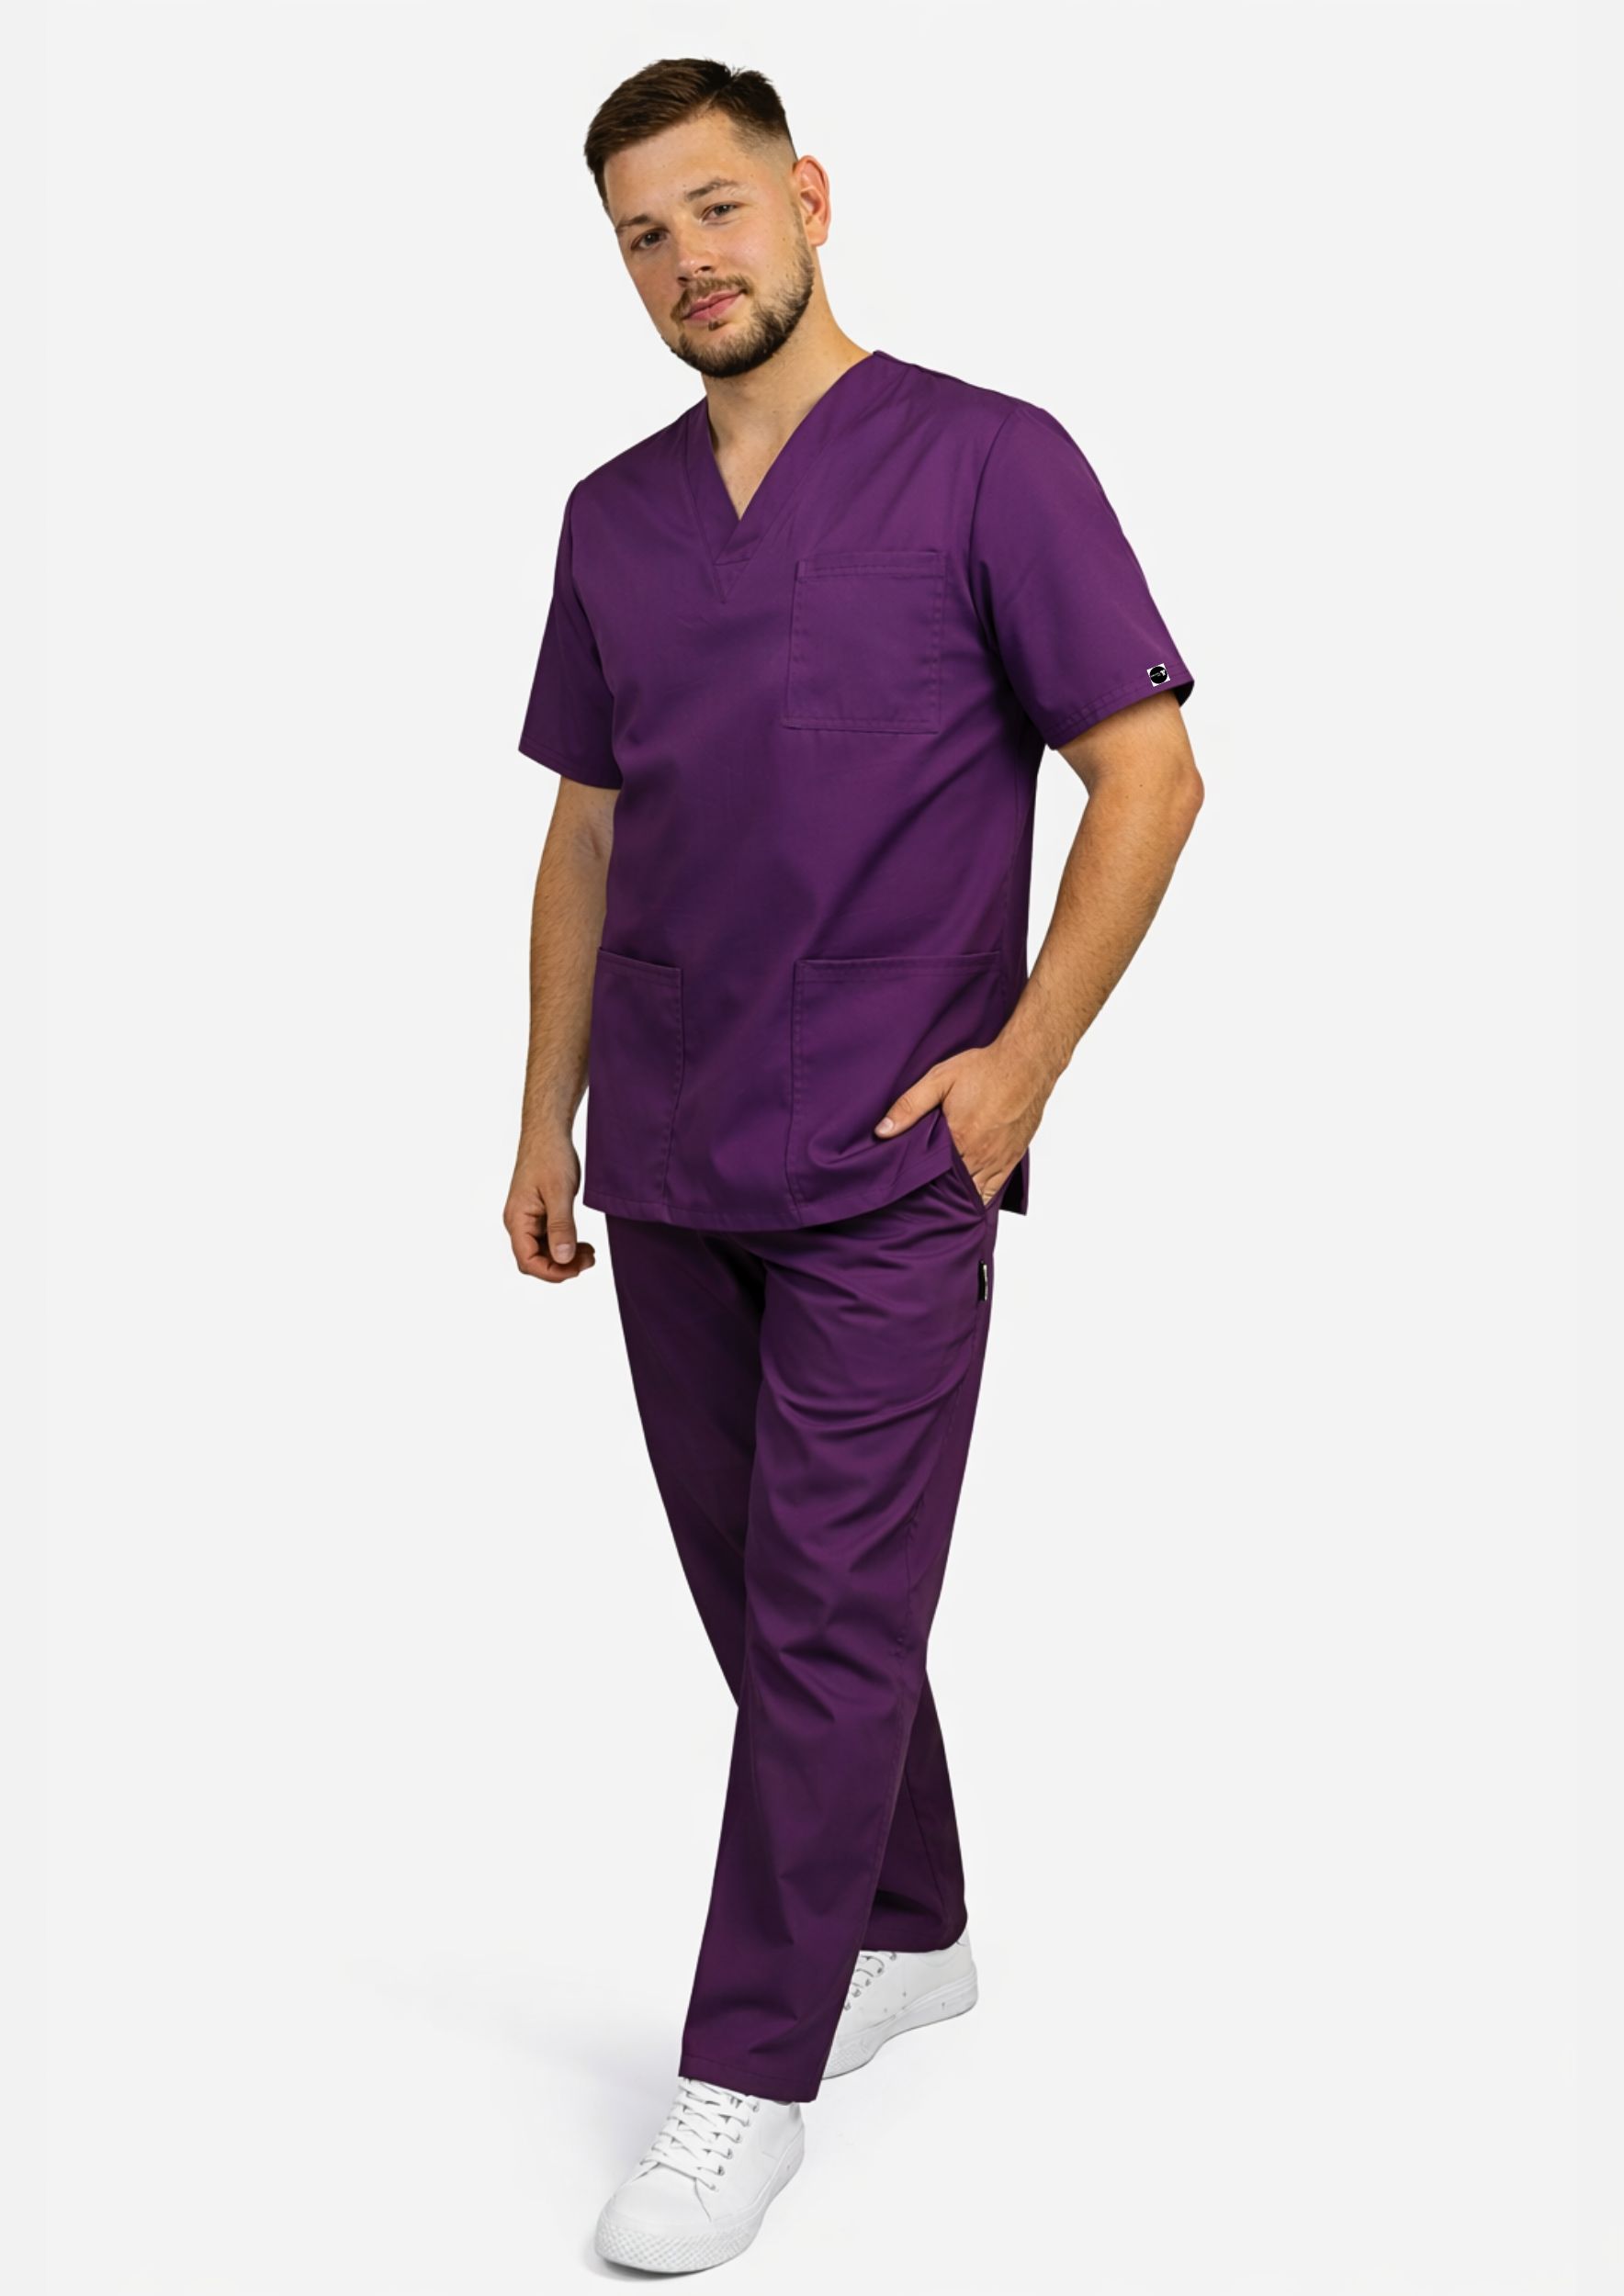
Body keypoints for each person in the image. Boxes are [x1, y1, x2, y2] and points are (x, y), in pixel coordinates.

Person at [504, 55, 1203, 2275]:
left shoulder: (989, 463)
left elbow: (1147, 774)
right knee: (768, 1599)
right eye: (640, 234)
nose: (685, 260)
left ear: (804, 196)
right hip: (668, 1146)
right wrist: (540, 1110)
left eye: (714, 207)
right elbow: (587, 829)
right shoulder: (612, 519)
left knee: (822, 1613)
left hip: (894, 1156)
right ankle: (906, 1920)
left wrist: (1021, 1068)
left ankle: (745, 2068)